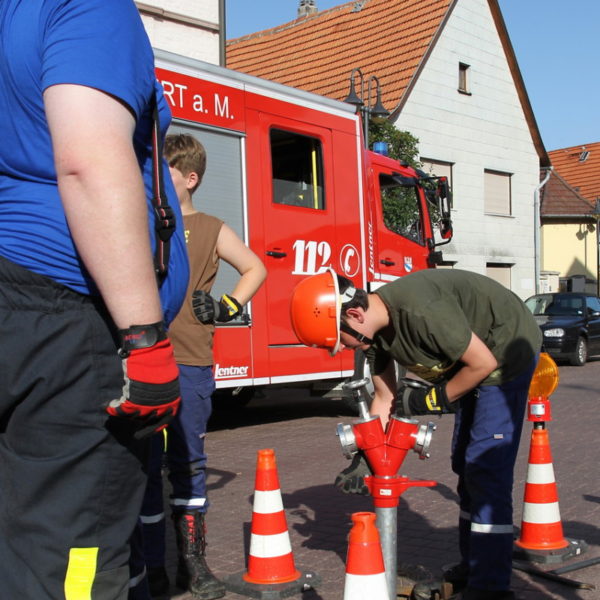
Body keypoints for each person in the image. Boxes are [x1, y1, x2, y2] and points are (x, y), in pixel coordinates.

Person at [0, 1, 190, 599]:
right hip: (65, 323)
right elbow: (87, 161)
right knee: (70, 557)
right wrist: (145, 339)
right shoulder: (83, 6)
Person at [289, 268, 542, 600]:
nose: (340, 349)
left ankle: (492, 586)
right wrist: (366, 454)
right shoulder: (374, 338)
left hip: (504, 350)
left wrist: (432, 398)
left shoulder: (421, 311)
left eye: (339, 340)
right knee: (464, 466)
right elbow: (385, 398)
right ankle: (475, 565)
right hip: (471, 360)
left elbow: (482, 362)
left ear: (354, 314)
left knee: (486, 468)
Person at [140, 133, 267, 599]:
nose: (157, 179)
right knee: (145, 466)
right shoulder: (146, 220)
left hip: (191, 361)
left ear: (189, 178)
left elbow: (255, 267)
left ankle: (193, 567)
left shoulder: (211, 228)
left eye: (167, 172)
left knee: (188, 462)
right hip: (144, 360)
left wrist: (227, 306)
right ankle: (152, 568)